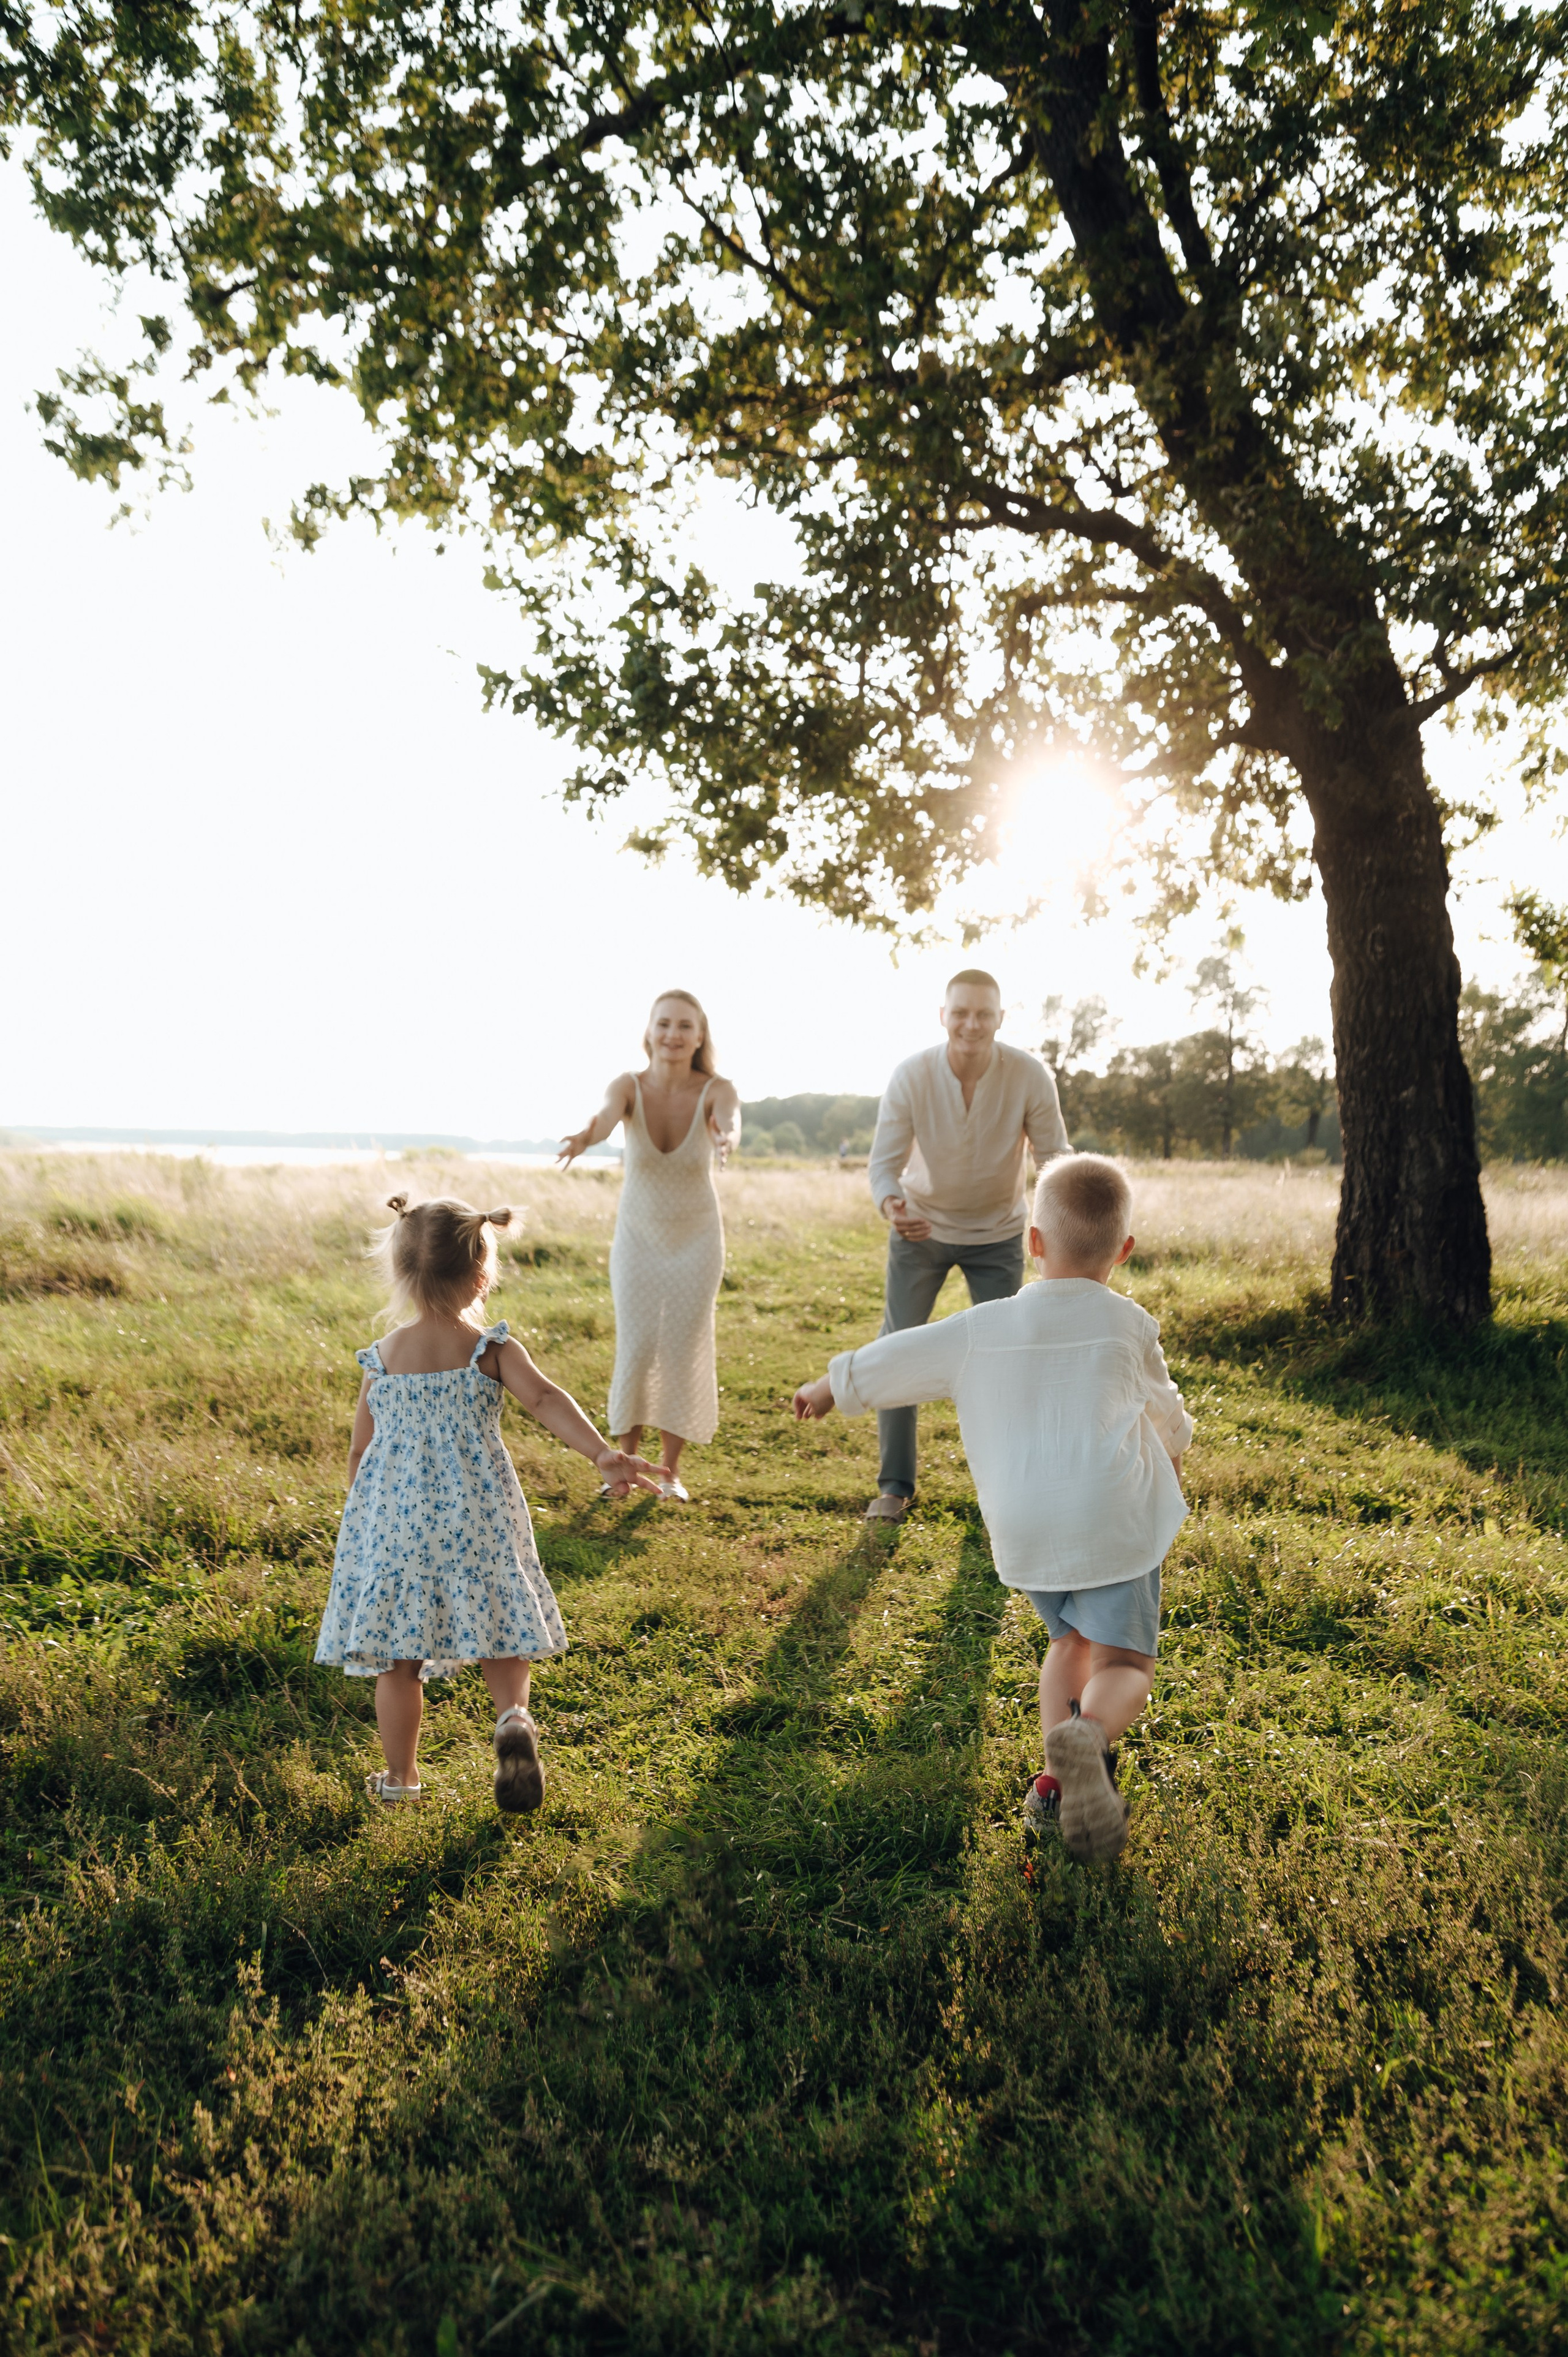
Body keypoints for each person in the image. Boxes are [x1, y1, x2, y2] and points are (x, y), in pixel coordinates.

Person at [793, 1155, 1191, 1862]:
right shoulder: (1130, 1325)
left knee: (1067, 1641)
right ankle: (1088, 1737)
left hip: (1026, 1527)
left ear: (1033, 1242)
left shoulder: (983, 1325)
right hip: (1110, 1522)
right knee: (1123, 1661)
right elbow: (1165, 1411)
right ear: (1123, 1250)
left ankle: (1050, 1787)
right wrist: (1176, 1453)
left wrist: (834, 1383)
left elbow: (903, 1354)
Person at [315, 1194, 662, 1810]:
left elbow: (359, 1451)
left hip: (398, 1527)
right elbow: (548, 1399)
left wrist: (367, 1518)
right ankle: (513, 1720)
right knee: (501, 1629)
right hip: (480, 1516)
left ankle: (401, 1780)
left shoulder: (382, 1358)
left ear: (400, 1273)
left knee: (398, 1660)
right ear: (482, 1273)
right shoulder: (490, 1348)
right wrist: (602, 1454)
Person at [863, 967, 1071, 1521]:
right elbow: (883, 1166)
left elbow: (1054, 1157)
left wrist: (1059, 1230)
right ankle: (895, 1486)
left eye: (983, 1014)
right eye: (960, 1013)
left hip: (999, 1234)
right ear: (943, 1016)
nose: (971, 1024)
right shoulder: (911, 1076)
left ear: (1000, 1019)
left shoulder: (1030, 1076)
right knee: (898, 1348)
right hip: (921, 1230)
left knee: (1004, 1357)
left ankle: (1006, 1487)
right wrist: (892, 1205)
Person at [559, 989, 741, 1499]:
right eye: (664, 1024)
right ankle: (623, 1469)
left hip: (697, 1240)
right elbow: (604, 1117)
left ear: (700, 1036)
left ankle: (671, 1473)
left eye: (685, 1026)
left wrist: (727, 1138)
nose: (673, 1035)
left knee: (682, 1348)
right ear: (649, 1032)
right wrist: (583, 1137)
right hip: (638, 1239)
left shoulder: (717, 1089)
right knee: (637, 1346)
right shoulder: (628, 1087)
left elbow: (730, 1120)